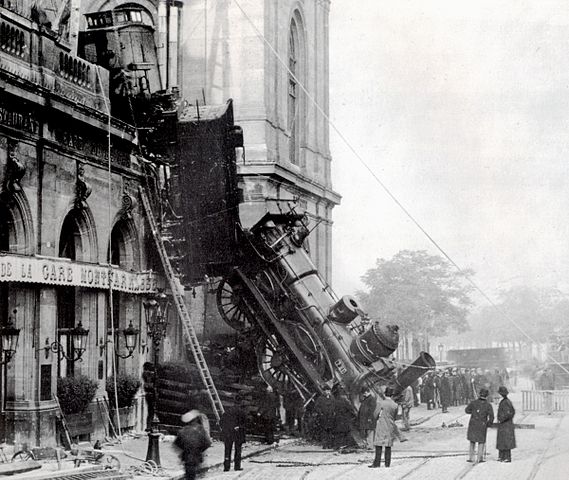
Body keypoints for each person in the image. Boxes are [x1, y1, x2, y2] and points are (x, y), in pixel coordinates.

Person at [175, 410, 212, 480]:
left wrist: (184, 449)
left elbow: (177, 443)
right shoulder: (200, 430)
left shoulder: (183, 431)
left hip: (187, 457)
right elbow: (207, 443)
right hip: (197, 457)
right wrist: (200, 450)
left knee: (189, 475)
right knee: (194, 475)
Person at [369, 388, 399, 468]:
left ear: (385, 394)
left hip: (381, 426)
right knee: (388, 445)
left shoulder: (380, 403)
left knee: (378, 445)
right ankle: (387, 464)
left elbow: (375, 414)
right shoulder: (395, 405)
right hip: (390, 426)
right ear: (392, 395)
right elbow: (395, 417)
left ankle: (377, 463)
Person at [465, 388, 494, 464]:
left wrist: (474, 412)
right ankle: (479, 458)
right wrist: (488, 424)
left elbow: (467, 410)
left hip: (473, 423)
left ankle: (471, 457)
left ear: (479, 394)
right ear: (486, 396)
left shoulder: (473, 403)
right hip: (482, 424)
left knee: (472, 440)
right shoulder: (488, 405)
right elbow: (492, 416)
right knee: (481, 441)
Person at [220, 394, 247, 472]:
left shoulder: (228, 411)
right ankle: (237, 466)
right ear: (241, 402)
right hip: (238, 433)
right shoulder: (242, 412)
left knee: (227, 450)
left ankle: (226, 466)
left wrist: (227, 428)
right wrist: (239, 427)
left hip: (228, 433)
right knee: (238, 450)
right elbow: (246, 423)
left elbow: (221, 422)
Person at [496, 386, 516, 463]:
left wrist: (501, 419)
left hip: (505, 424)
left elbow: (509, 413)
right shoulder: (506, 401)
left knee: (505, 441)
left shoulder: (505, 402)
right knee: (503, 441)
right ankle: (502, 456)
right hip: (505, 424)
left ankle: (506, 457)